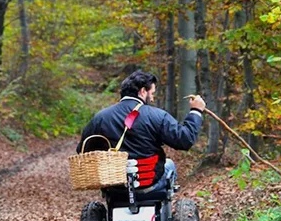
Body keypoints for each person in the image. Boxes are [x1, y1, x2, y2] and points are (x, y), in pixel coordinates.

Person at [76, 70, 206, 192]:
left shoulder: (100, 117)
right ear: (143, 91)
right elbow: (185, 140)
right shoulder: (157, 116)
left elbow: (83, 150)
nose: (153, 98)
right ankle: (164, 214)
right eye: (152, 93)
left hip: (115, 186)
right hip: (148, 182)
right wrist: (196, 111)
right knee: (169, 164)